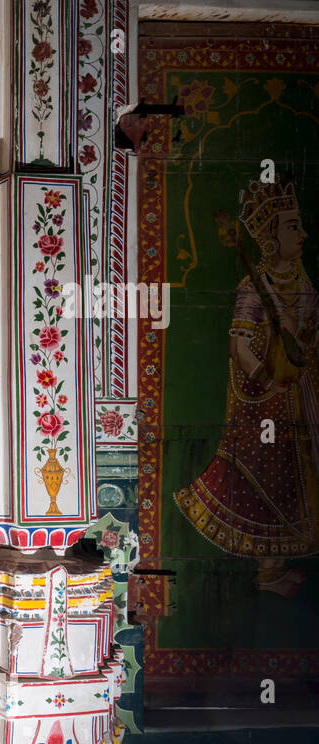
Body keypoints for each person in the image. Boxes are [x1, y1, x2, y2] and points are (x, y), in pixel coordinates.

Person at [175, 180, 319, 596]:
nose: (303, 233)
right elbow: (238, 345)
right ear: (271, 240)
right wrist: (268, 379)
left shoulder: (304, 283)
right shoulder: (253, 288)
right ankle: (266, 568)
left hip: (299, 393)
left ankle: (276, 567)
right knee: (268, 477)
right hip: (264, 401)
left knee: (297, 477)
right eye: (293, 227)